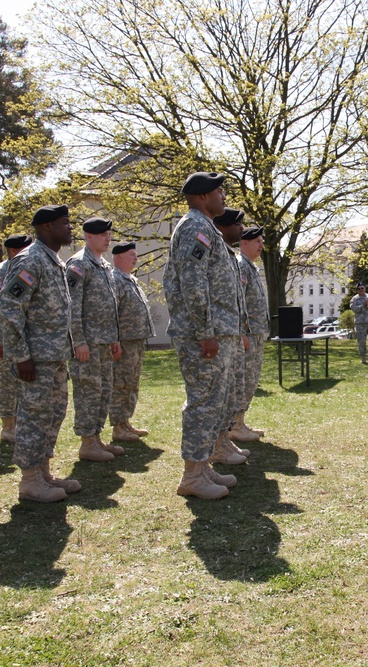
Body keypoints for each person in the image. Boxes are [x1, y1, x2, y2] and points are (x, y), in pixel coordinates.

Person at [163, 172, 245, 499]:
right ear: (201, 196)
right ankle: (192, 475)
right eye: (218, 191)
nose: (224, 196)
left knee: (213, 402)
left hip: (215, 332)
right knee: (202, 402)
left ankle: (203, 467)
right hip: (203, 335)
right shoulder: (195, 227)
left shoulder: (205, 227)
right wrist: (205, 332)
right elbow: (193, 284)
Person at [0, 204, 80, 502]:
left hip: (55, 356)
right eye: (64, 223)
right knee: (33, 417)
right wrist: (21, 356)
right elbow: (8, 307)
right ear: (46, 227)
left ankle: (43, 472)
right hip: (36, 358)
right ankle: (30, 480)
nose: (70, 228)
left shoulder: (52, 260)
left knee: (52, 415)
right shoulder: (29, 261)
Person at [66, 217, 123, 462]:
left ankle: (97, 438)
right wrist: (78, 341)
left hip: (103, 342)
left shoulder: (105, 266)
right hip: (87, 343)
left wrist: (114, 338)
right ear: (88, 237)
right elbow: (71, 306)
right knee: (88, 392)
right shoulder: (79, 264)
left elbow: (109, 306)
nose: (107, 238)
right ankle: (87, 442)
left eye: (109, 234)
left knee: (103, 391)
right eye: (102, 234)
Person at [0, 234, 32, 444]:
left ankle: (21, 423)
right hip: (3, 341)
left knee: (21, 383)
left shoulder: (22, 270)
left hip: (20, 340)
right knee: (5, 383)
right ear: (13, 251)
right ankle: (8, 426)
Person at [210, 207, 253, 457]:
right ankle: (211, 452)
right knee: (214, 397)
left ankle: (223, 441)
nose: (242, 230)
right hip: (217, 333)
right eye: (238, 225)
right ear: (224, 227)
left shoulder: (228, 254)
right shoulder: (216, 249)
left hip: (230, 333)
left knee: (227, 393)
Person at [108, 241, 155, 443]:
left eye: (136, 255)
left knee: (132, 383)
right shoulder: (115, 280)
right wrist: (114, 340)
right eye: (131, 255)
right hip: (124, 342)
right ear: (118, 257)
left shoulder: (131, 279)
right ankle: (118, 426)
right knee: (121, 383)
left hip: (136, 340)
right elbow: (111, 313)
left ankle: (126, 422)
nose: (135, 258)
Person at [232, 225, 269, 440]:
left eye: (262, 242)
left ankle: (240, 422)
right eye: (258, 242)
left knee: (251, 379)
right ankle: (235, 426)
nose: (261, 246)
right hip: (246, 334)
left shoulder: (250, 267)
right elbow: (237, 303)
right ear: (244, 243)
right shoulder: (241, 267)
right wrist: (241, 333)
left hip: (255, 334)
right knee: (243, 379)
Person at [350, 283, 368, 363]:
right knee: (361, 341)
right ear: (357, 290)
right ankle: (363, 358)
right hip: (360, 323)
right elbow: (354, 309)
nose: (361, 290)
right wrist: (362, 306)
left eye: (362, 288)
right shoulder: (354, 299)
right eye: (359, 288)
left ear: (365, 288)